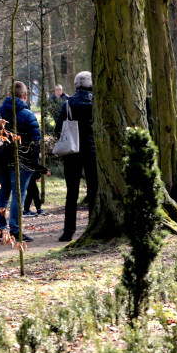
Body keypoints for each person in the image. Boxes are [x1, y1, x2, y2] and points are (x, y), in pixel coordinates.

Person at [0, 81, 42, 242]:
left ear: (9, 95)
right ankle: (15, 229)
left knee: (3, 193)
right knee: (18, 195)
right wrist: (35, 164)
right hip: (23, 161)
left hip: (2, 160)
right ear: (25, 96)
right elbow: (36, 143)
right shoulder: (28, 115)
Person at [55, 71, 98, 242]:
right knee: (94, 190)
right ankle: (92, 226)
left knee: (71, 192)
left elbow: (58, 129)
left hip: (72, 152)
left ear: (76, 85)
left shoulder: (67, 104)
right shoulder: (96, 103)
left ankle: (68, 231)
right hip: (92, 151)